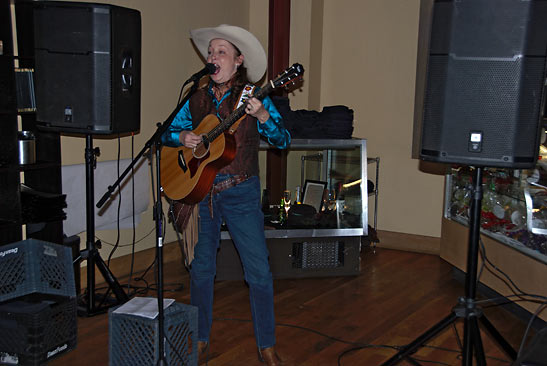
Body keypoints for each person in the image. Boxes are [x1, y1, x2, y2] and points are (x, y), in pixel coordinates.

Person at [161, 24, 291, 366]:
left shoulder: (254, 95)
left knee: (258, 271)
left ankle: (267, 346)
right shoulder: (197, 97)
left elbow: (283, 141)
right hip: (202, 193)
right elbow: (165, 135)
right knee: (201, 269)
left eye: (221, 51)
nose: (213, 57)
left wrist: (263, 115)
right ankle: (201, 341)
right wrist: (182, 138)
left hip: (241, 191)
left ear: (238, 60)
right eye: (210, 52)